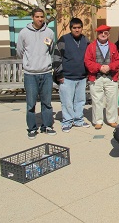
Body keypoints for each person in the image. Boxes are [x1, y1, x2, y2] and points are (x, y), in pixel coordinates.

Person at [17, 8, 56, 139]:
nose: (40, 19)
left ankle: (47, 126)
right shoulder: (23, 33)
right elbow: (20, 51)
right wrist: (29, 63)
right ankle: (32, 128)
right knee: (31, 104)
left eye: (42, 17)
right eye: (37, 17)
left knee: (47, 102)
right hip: (30, 74)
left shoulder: (49, 32)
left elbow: (50, 50)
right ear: (32, 17)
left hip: (46, 73)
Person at [52, 17, 90, 133]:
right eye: (74, 28)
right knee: (67, 101)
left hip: (82, 77)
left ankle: (78, 119)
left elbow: (89, 57)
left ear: (82, 28)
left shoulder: (85, 40)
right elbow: (56, 57)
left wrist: (88, 73)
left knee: (80, 100)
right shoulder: (63, 40)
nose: (77, 30)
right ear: (71, 28)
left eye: (79, 28)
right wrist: (59, 74)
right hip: (66, 77)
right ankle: (67, 121)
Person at [84, 25, 119, 129]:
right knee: (97, 100)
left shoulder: (113, 46)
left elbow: (118, 61)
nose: (103, 35)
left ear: (108, 34)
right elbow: (87, 61)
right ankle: (98, 121)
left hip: (111, 77)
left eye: (105, 33)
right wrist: (99, 67)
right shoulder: (91, 47)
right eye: (101, 33)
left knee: (112, 100)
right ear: (97, 34)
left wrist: (110, 67)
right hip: (96, 77)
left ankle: (112, 120)